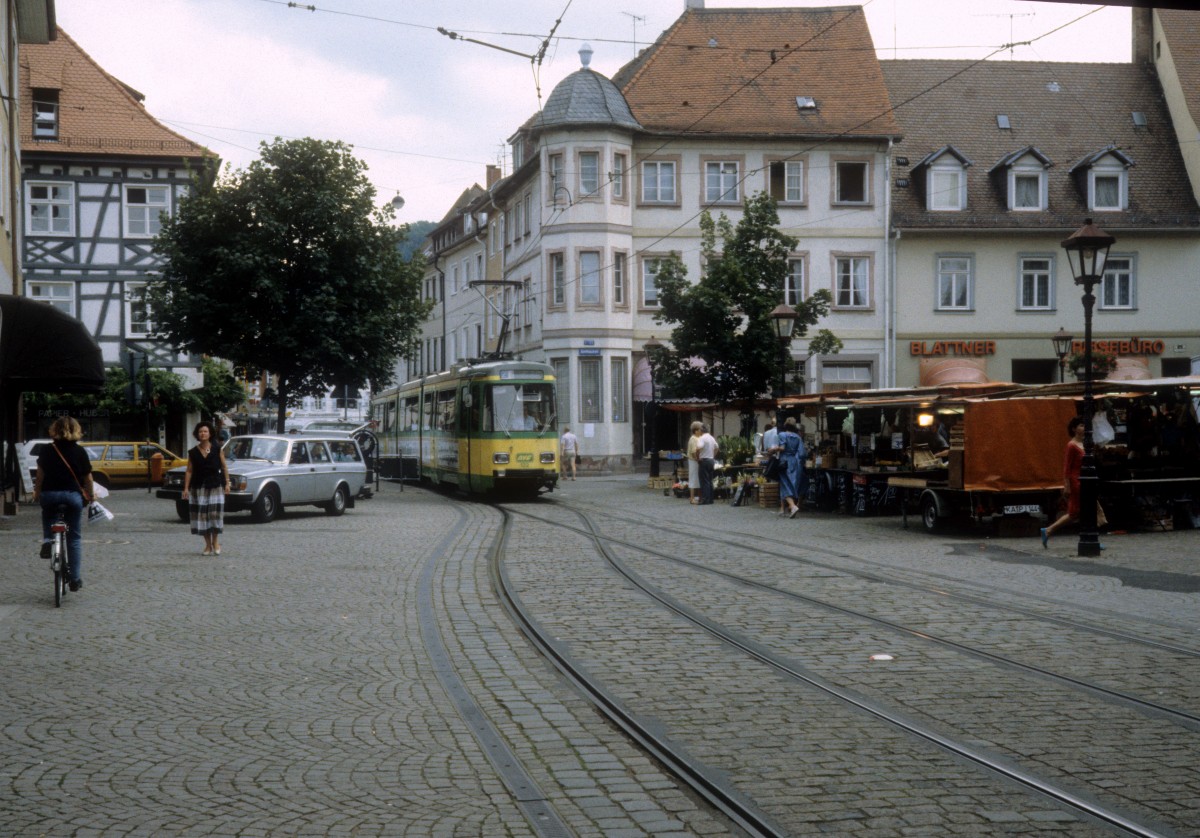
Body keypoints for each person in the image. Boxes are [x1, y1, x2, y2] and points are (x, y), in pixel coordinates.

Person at [32, 416, 94, 592]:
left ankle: (46, 541)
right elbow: (87, 478)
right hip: (72, 497)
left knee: (48, 514)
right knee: (74, 538)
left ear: (54, 430)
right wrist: (90, 496)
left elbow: (40, 475)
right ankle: (74, 579)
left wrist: (37, 493)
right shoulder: (80, 452)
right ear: (76, 430)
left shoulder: (46, 450)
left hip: (50, 495)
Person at [1041, 416, 1107, 548]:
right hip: (1077, 481)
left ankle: (1049, 530)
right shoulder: (1071, 445)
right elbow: (1067, 466)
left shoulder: (1084, 444)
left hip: (1085, 481)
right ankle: (1090, 538)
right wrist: (1067, 485)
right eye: (1081, 425)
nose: (1084, 428)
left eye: (1084, 425)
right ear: (1074, 429)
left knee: (1078, 512)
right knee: (1080, 511)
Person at [182, 421, 230, 556]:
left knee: (214, 515)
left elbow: (224, 467)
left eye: (205, 431)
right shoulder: (193, 452)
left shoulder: (217, 450)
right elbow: (189, 471)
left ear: (210, 434)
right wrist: (186, 488)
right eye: (200, 432)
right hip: (199, 487)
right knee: (202, 516)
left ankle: (215, 541)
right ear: (197, 435)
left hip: (215, 485)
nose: (203, 434)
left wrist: (227, 483)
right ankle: (207, 545)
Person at [770, 417, 806, 518]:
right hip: (794, 462)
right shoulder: (798, 437)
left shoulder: (782, 435)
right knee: (792, 485)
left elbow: (782, 448)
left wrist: (773, 449)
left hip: (784, 462)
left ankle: (792, 506)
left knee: (785, 484)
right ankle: (787, 509)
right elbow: (802, 453)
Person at [695, 423, 719, 505]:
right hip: (711, 460)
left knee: (704, 480)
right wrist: (713, 455)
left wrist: (697, 457)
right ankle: (711, 499)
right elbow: (717, 447)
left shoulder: (702, 438)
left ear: (702, 430)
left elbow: (698, 448)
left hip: (704, 460)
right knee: (710, 480)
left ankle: (705, 499)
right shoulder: (711, 438)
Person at [686, 422, 703, 505]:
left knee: (697, 479)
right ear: (696, 431)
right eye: (700, 429)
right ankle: (692, 498)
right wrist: (697, 459)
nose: (701, 431)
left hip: (696, 461)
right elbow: (693, 452)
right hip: (693, 461)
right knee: (693, 478)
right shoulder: (693, 439)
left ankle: (698, 497)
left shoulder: (698, 438)